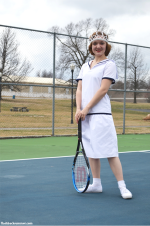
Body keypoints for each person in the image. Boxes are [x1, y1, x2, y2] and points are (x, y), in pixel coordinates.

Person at [75, 31, 132, 199]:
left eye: (101, 43)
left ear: (106, 46)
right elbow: (79, 88)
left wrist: (86, 109)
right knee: (91, 151)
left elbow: (103, 89)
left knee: (110, 151)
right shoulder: (85, 66)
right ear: (90, 47)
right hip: (85, 116)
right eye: (94, 44)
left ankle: (122, 187)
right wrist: (79, 108)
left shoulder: (110, 64)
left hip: (101, 115)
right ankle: (97, 184)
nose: (98, 46)